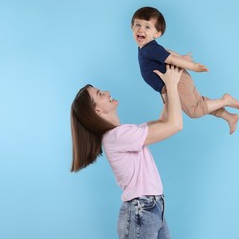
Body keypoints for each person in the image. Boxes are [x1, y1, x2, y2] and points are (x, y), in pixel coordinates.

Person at [70, 65, 183, 239]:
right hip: (142, 210)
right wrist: (173, 85)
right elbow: (175, 125)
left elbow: (164, 121)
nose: (107, 92)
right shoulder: (117, 136)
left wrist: (165, 89)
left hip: (153, 208)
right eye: (100, 94)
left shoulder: (124, 133)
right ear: (97, 111)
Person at [131, 6, 239, 134]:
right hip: (178, 81)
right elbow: (167, 52)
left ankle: (225, 100)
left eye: (147, 27)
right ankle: (229, 117)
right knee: (199, 103)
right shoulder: (148, 47)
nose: (140, 29)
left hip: (178, 82)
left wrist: (193, 67)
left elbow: (171, 59)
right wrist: (181, 57)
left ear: (157, 33)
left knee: (194, 111)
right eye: (137, 25)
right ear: (132, 27)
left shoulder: (149, 49)